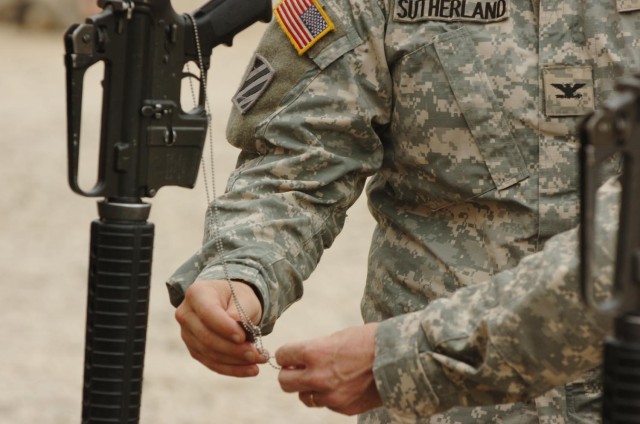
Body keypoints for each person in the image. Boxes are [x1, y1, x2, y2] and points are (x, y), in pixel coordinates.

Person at [167, 0, 640, 422]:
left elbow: (624, 249)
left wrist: (401, 358)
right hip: (438, 409)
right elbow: (299, 156)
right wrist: (244, 269)